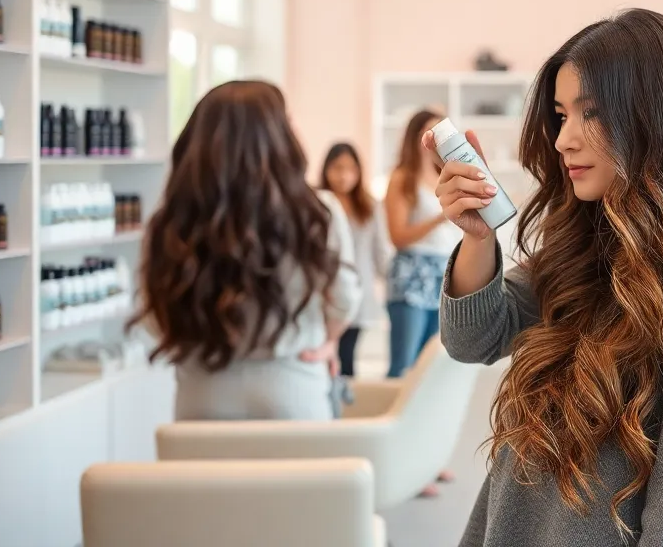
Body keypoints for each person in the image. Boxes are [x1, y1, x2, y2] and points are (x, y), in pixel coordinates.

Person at [428, 9, 663, 547]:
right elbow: (472, 339)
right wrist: (480, 238)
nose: (563, 140)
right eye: (561, 115)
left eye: (590, 113)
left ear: (659, 117)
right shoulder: (590, 242)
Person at [130, 80, 361, 421]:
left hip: (201, 397)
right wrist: (328, 341)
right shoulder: (317, 212)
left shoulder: (173, 221)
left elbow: (153, 320)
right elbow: (343, 299)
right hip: (293, 390)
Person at [383, 109, 464, 379]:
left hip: (441, 275)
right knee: (403, 363)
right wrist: (441, 217)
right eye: (429, 131)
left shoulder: (445, 175)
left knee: (430, 366)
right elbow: (398, 237)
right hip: (411, 274)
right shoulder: (402, 178)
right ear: (415, 136)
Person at [319, 142, 393, 378]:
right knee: (322, 359)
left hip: (358, 295)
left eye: (350, 168)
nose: (344, 175)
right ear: (326, 170)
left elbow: (381, 253)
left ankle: (346, 409)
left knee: (347, 359)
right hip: (322, 294)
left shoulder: (370, 207)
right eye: (337, 168)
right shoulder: (316, 204)